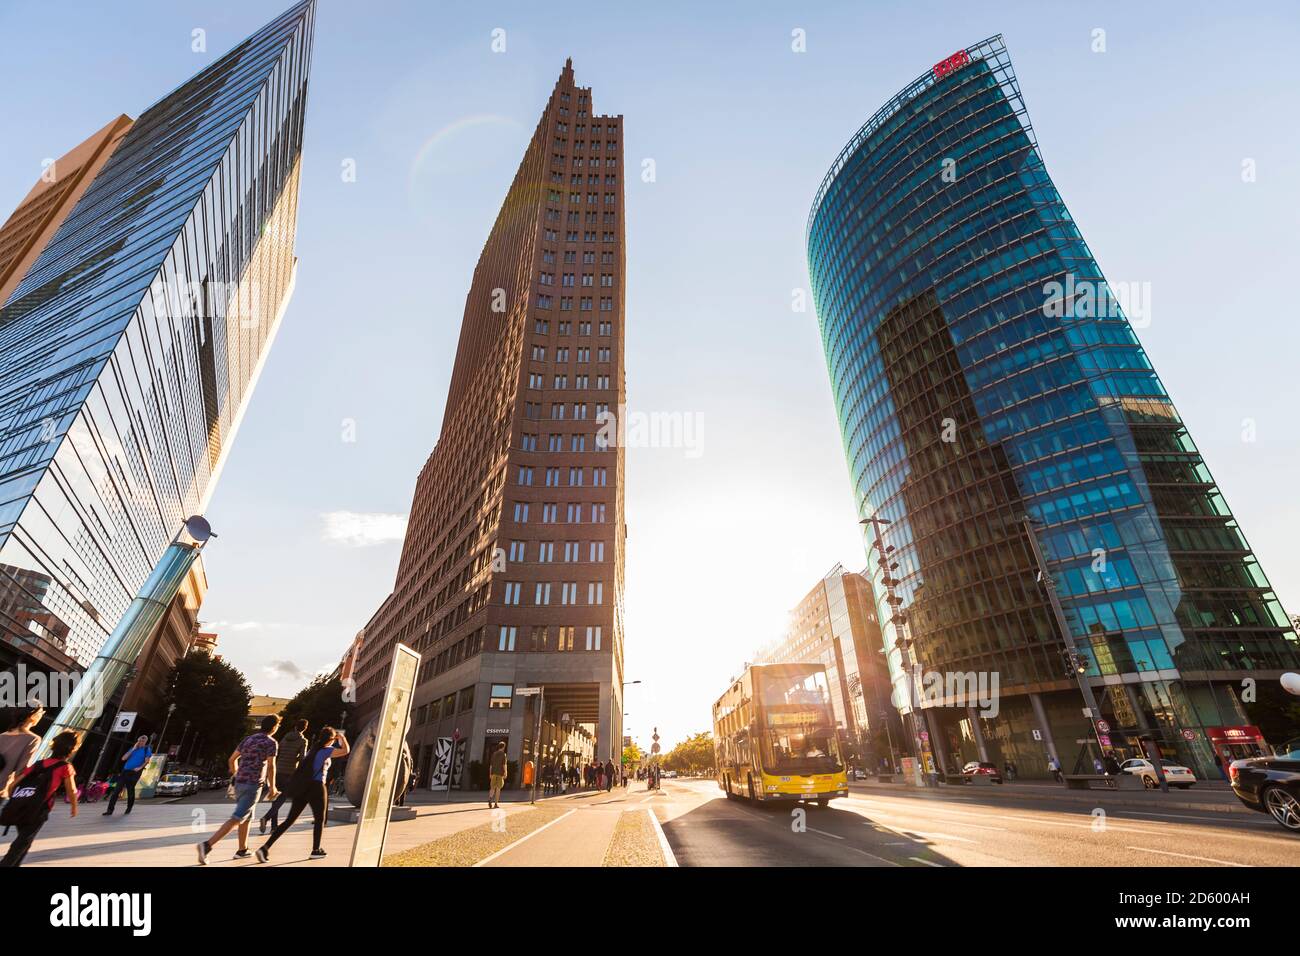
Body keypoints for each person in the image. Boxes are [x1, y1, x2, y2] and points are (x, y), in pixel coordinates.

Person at [196, 715, 280, 864]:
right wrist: (273, 787)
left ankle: (243, 850)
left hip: (240, 783)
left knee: (246, 817)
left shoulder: (248, 739)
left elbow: (231, 759)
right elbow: (271, 766)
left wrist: (236, 774)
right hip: (253, 784)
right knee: (237, 817)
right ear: (274, 727)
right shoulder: (271, 742)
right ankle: (207, 846)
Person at [257, 727, 348, 862]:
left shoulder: (312, 751)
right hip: (317, 787)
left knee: (290, 820)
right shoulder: (326, 751)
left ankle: (265, 847)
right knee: (319, 819)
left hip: (302, 788)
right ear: (330, 739)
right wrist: (342, 738)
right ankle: (316, 850)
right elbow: (346, 751)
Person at [0, 730, 80, 867]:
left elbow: (14, 783)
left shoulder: (39, 764)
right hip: (39, 809)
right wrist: (74, 807)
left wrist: (16, 798)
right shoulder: (66, 767)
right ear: (72, 749)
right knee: (23, 842)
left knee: (25, 841)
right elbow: (71, 790)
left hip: (22, 806)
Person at [260, 719, 308, 834]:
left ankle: (274, 827)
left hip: (278, 770)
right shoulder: (303, 741)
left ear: (295, 726)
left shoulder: (285, 738)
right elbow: (302, 758)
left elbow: (278, 752)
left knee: (275, 798)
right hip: (290, 772)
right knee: (282, 798)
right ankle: (266, 817)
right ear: (305, 729)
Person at [0, 700, 44, 809]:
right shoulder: (33, 739)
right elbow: (22, 770)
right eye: (41, 713)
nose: (41, 716)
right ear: (33, 715)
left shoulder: (2, 735)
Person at [103, 734, 152, 816]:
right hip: (125, 771)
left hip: (134, 773)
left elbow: (147, 761)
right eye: (139, 741)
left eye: (143, 741)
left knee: (130, 791)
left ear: (145, 742)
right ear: (137, 741)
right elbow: (123, 758)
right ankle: (109, 810)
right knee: (116, 791)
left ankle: (129, 807)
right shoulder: (133, 749)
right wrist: (133, 749)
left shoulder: (147, 749)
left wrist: (139, 768)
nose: (141, 742)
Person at [488, 741, 507, 809]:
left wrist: (490, 773)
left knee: (492, 787)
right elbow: (504, 765)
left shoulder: (494, 754)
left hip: (493, 773)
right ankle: (496, 803)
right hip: (500, 773)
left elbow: (491, 765)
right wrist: (505, 772)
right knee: (498, 789)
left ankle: (490, 798)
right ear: (503, 747)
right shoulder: (503, 755)